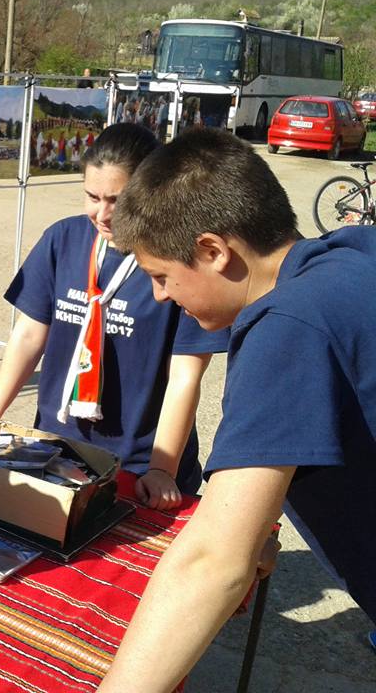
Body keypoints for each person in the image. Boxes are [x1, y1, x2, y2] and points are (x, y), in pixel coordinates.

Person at [97, 127, 376, 691]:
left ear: (212, 251)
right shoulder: (355, 251)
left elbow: (213, 563)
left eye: (160, 276)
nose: (160, 296)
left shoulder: (286, 326)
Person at [0, 124, 227, 510]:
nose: (102, 214)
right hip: (56, 448)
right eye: (92, 197)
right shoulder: (63, 240)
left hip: (140, 465)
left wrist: (162, 468)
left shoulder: (181, 260)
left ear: (151, 191)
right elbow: (29, 334)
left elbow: (185, 376)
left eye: (117, 200)